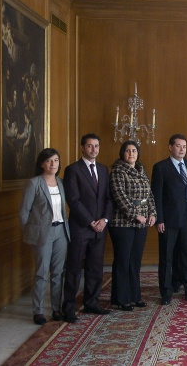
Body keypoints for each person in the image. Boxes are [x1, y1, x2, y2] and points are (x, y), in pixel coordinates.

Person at [62, 134, 113, 323]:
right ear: (82, 148)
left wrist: (104, 220)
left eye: (96, 146)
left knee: (95, 267)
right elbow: (73, 200)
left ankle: (92, 302)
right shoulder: (72, 170)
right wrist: (91, 221)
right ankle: (68, 307)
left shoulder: (103, 169)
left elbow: (108, 198)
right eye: (90, 146)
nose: (93, 150)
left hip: (100, 227)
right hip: (81, 227)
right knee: (74, 268)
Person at [19, 148, 70, 325]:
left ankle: (56, 308)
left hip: (61, 232)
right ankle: (38, 311)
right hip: (42, 234)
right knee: (42, 273)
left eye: (56, 160)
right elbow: (24, 212)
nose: (53, 164)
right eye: (49, 161)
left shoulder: (61, 183)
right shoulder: (34, 183)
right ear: (42, 163)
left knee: (58, 273)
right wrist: (31, 233)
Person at [152, 134, 187, 305]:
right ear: (170, 147)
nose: (182, 149)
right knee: (167, 257)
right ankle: (166, 292)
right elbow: (156, 196)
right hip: (169, 220)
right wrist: (159, 220)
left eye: (184, 146)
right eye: (178, 146)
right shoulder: (161, 167)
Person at [109, 140, 156, 311]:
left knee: (135, 261)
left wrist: (152, 214)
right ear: (122, 153)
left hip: (142, 222)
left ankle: (135, 296)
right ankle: (121, 299)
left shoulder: (142, 170)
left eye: (134, 150)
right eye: (128, 150)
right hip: (123, 223)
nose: (131, 153)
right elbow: (119, 196)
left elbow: (149, 195)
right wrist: (135, 215)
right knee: (123, 261)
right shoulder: (117, 171)